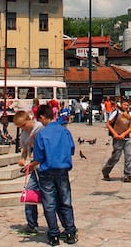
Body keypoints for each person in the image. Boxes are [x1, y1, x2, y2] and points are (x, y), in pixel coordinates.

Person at [31, 104, 78, 245]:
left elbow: (38, 157)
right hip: (62, 170)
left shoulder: (42, 134)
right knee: (65, 201)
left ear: (42, 117)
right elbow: (71, 149)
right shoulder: (65, 131)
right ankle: (70, 232)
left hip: (47, 172)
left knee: (49, 203)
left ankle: (54, 234)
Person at [13, 109, 44, 237]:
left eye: (23, 125)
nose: (23, 129)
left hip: (44, 167)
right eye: (20, 127)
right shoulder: (24, 134)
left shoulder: (40, 128)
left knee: (49, 196)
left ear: (29, 120)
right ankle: (31, 224)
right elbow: (25, 148)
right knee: (29, 194)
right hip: (33, 168)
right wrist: (22, 158)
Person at [101, 99, 131, 182]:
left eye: (127, 105)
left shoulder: (129, 115)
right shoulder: (116, 113)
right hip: (117, 138)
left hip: (126, 138)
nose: (126, 107)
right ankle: (106, 170)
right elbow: (108, 124)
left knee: (129, 156)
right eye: (124, 105)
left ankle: (128, 175)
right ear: (121, 105)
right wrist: (115, 134)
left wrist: (124, 134)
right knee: (116, 157)